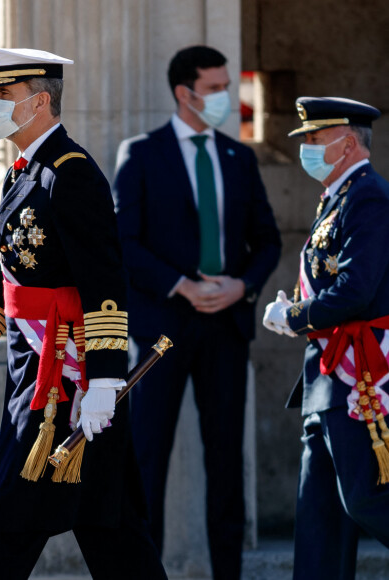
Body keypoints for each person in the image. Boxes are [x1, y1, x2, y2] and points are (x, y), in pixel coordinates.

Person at [0, 47, 167, 580]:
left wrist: (106, 381)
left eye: (3, 94)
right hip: (33, 374)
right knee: (110, 533)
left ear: (40, 101)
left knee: (10, 528)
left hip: (72, 384)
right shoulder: (20, 174)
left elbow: (106, 284)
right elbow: (3, 284)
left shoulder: (72, 174)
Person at [112, 45, 281, 580]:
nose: (226, 97)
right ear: (185, 93)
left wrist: (243, 286)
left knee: (226, 461)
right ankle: (144, 572)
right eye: (215, 88)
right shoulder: (140, 154)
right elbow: (124, 241)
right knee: (148, 459)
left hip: (226, 328)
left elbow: (269, 241)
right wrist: (181, 285)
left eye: (227, 85)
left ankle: (228, 572)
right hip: (162, 328)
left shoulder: (239, 157)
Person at [263, 96, 389, 580]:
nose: (306, 149)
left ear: (348, 142)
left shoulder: (368, 197)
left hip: (359, 377)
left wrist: (291, 315)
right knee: (319, 517)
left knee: (365, 498)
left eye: (314, 140)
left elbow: (355, 291)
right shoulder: (336, 197)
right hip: (325, 377)